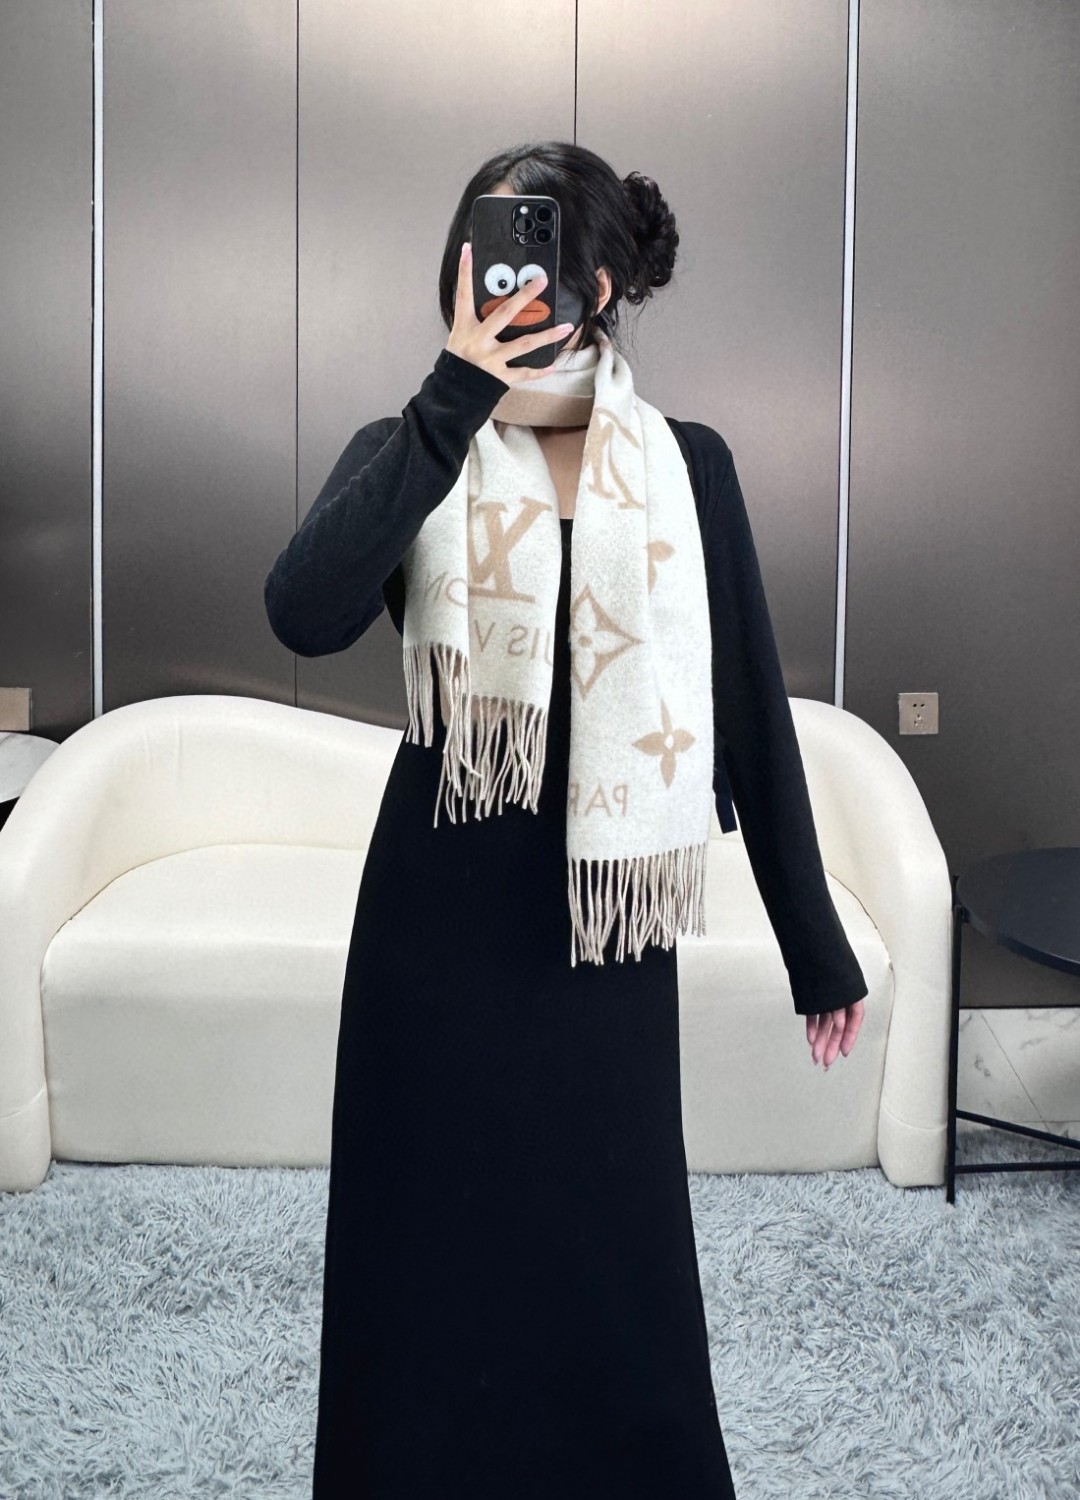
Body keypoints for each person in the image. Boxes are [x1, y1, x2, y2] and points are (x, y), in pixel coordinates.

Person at [264, 140, 867, 1499]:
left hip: (602, 938)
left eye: (529, 253)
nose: (498, 279)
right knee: (422, 1252)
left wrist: (813, 944)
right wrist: (450, 402)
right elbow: (301, 613)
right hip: (433, 927)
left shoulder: (686, 467)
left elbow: (749, 703)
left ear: (593, 287)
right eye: (481, 251)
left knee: (614, 1253)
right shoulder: (411, 446)